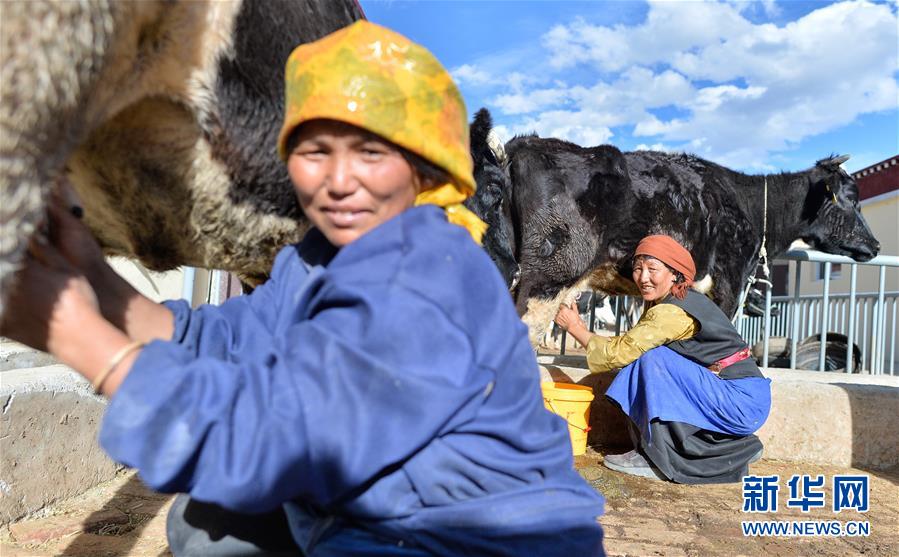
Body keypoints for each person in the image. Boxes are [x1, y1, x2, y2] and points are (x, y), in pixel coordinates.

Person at [1, 21, 606, 556]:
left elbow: (268, 443)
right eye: (315, 150)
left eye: (370, 152)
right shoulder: (320, 255)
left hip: (467, 537)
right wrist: (93, 276)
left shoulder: (431, 279)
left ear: (424, 168)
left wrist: (72, 331)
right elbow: (232, 339)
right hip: (387, 508)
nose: (338, 180)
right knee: (209, 521)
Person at [554, 235, 771, 484]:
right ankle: (734, 449)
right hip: (736, 395)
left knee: (651, 359)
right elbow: (630, 346)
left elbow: (620, 352)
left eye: (652, 269)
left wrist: (576, 328)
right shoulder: (672, 300)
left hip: (741, 400)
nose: (643, 277)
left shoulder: (672, 311)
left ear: (675, 274)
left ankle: (657, 459)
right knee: (645, 360)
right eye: (638, 268)